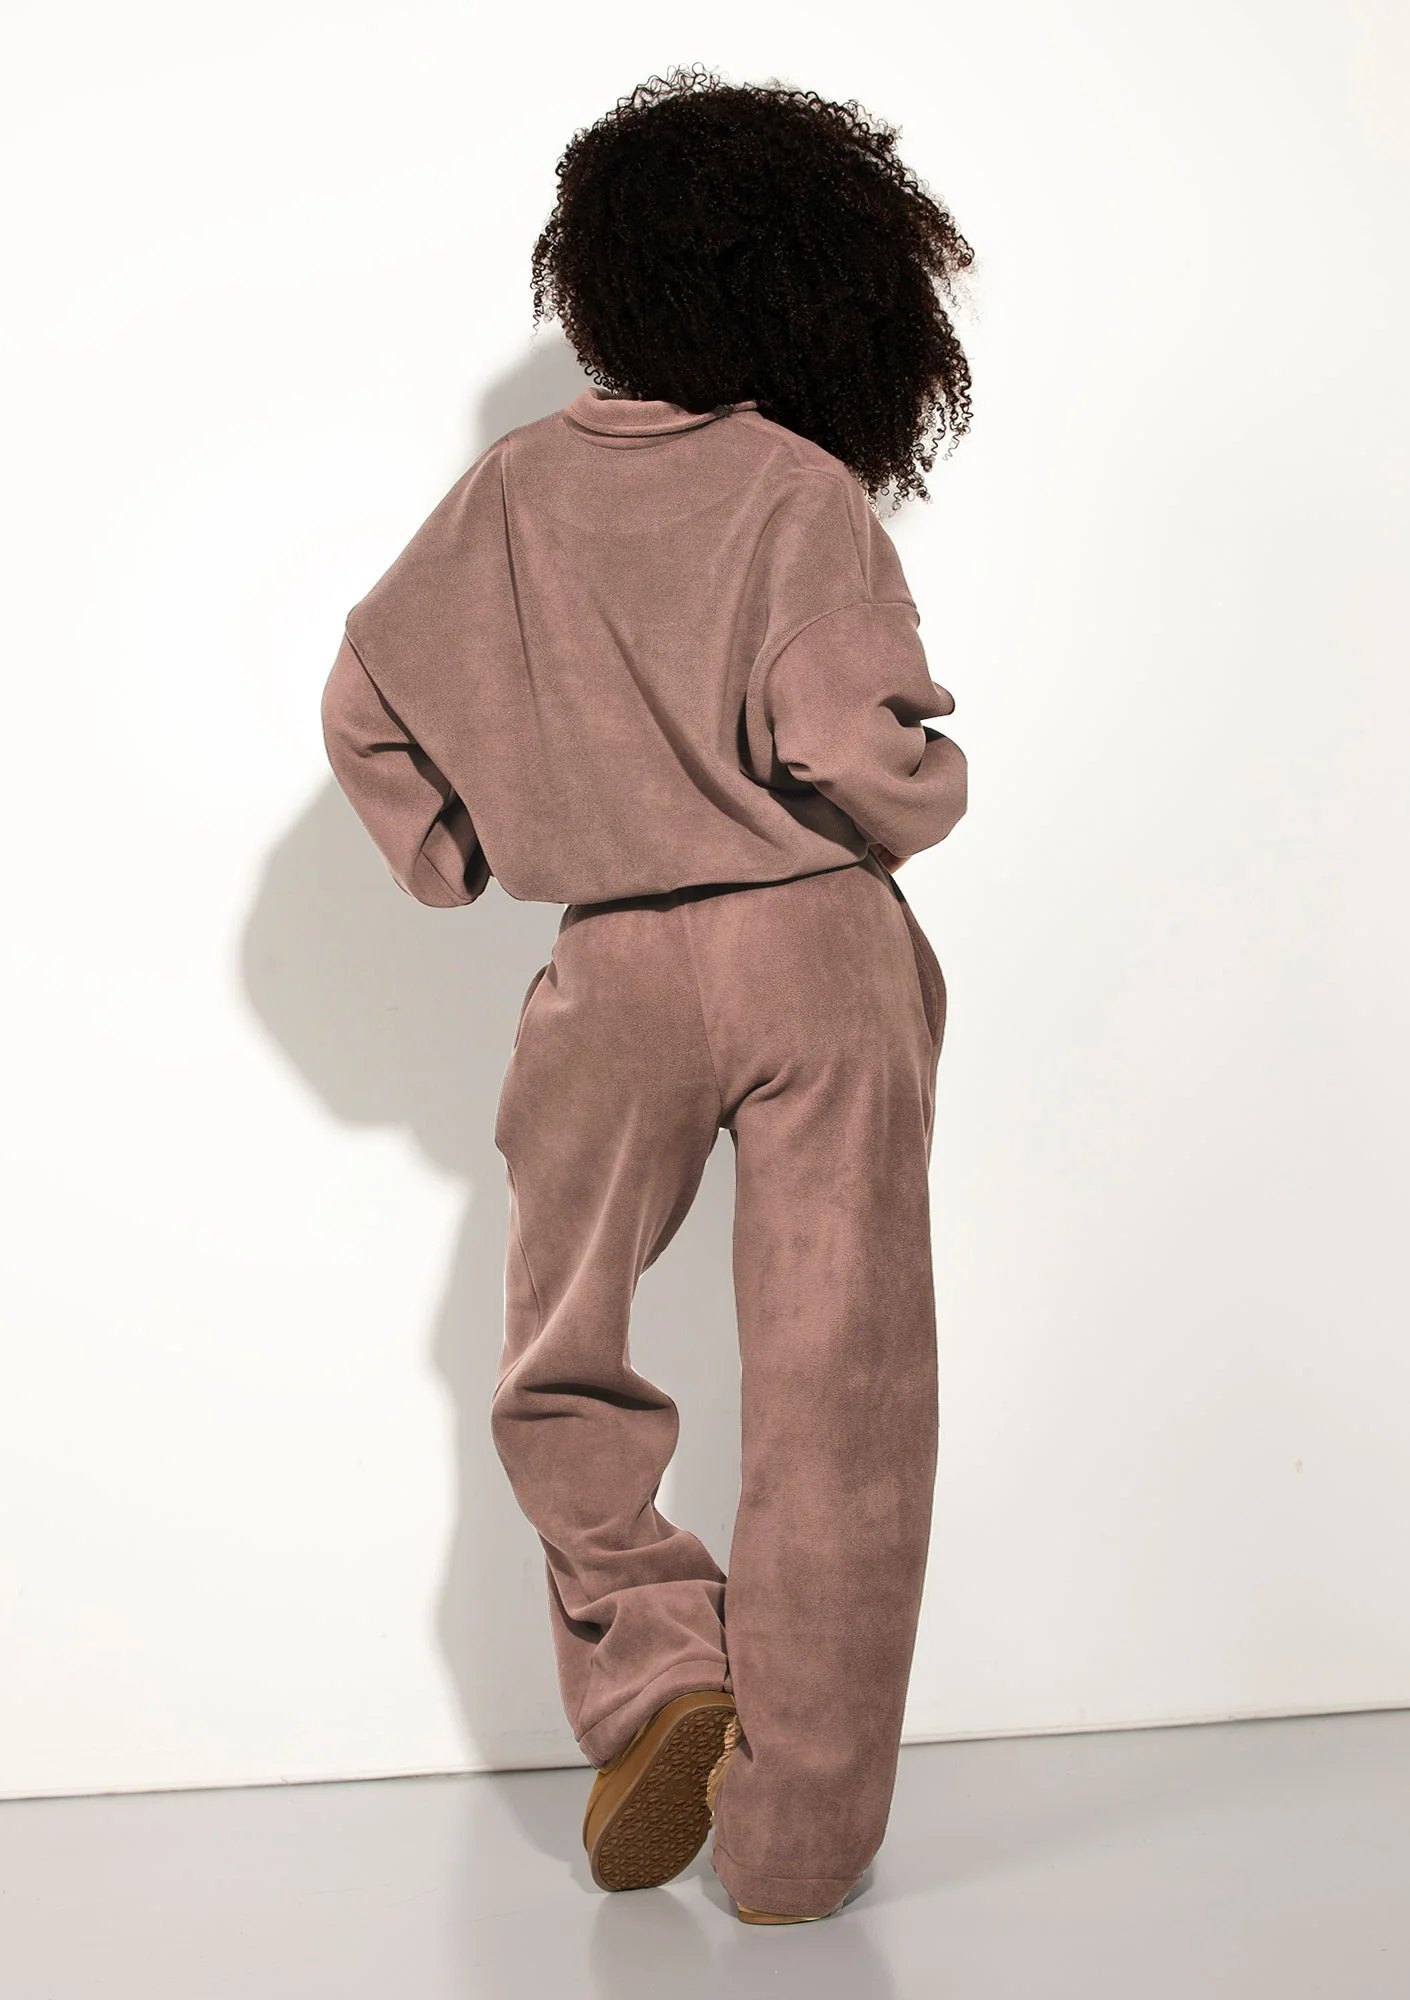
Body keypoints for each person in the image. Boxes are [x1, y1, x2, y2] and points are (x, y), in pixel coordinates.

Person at [320, 62, 974, 1925]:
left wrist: (463, 846)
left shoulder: (504, 496)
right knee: (843, 1385)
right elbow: (844, 740)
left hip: (608, 970)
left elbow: (363, 706)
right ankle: (797, 1847)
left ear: (601, 277)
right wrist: (925, 793)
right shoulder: (796, 488)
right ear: (826, 284)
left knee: (562, 1356)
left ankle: (656, 1664)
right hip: (813, 953)